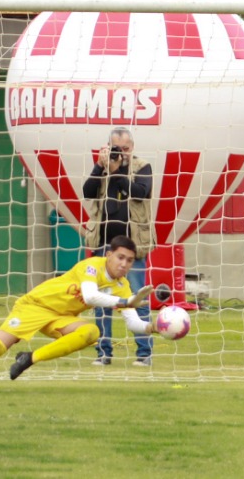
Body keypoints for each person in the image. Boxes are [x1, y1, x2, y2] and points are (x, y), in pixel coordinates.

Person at [0, 236, 156, 385]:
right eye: (120, 257)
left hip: (61, 318)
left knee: (91, 332)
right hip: (35, 306)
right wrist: (126, 301)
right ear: (108, 255)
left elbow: (133, 323)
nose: (124, 264)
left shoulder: (122, 285)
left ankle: (30, 358)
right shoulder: (92, 266)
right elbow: (90, 296)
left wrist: (154, 327)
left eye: (129, 260)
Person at [82, 127, 155, 366]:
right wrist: (99, 166)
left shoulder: (142, 166)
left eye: (125, 149)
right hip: (104, 246)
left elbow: (140, 192)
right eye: (117, 149)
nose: (121, 154)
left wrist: (116, 172)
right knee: (101, 300)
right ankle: (104, 353)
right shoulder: (102, 166)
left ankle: (144, 354)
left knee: (136, 298)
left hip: (132, 246)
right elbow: (87, 192)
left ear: (132, 147)